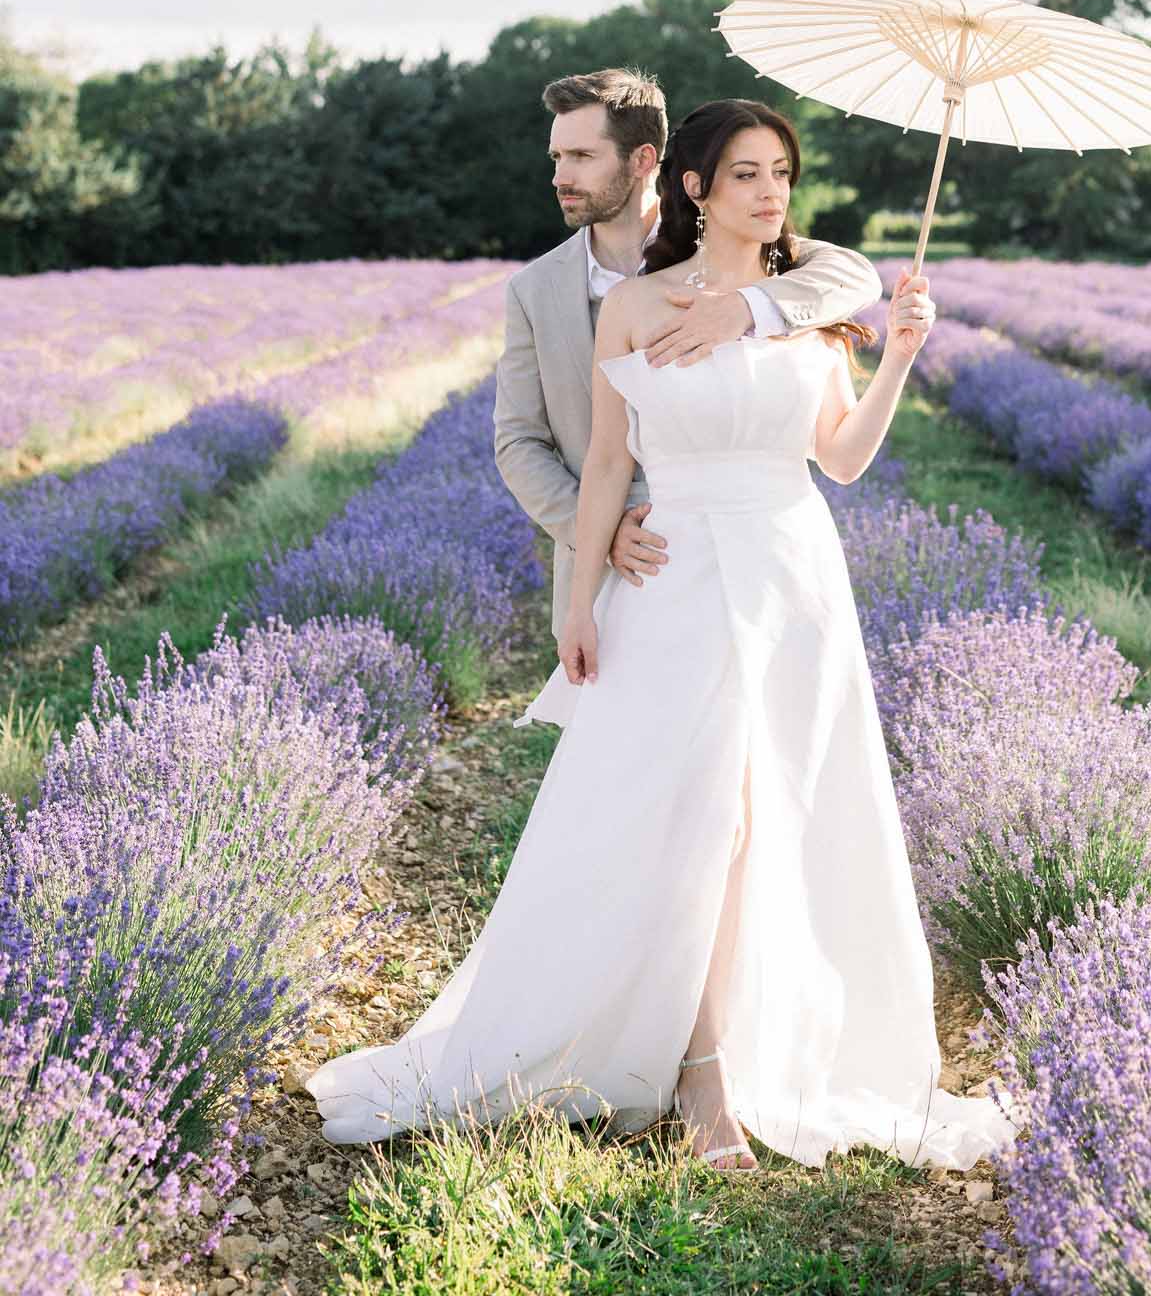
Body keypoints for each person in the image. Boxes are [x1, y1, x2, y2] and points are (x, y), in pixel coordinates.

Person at [305, 93, 1019, 1182]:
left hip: (791, 574)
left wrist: (899, 357)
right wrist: (576, 599)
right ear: (692, 185)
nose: (770, 189)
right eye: (745, 171)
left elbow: (842, 458)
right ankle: (694, 1067)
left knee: (763, 811)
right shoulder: (635, 306)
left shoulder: (808, 304)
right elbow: (601, 465)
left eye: (781, 169)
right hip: (678, 572)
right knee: (690, 814)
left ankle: (720, 1062)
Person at [491, 67, 884, 641]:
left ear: (644, 159)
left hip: (746, 549)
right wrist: (595, 530)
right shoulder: (533, 289)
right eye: (556, 158)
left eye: (580, 155)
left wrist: (747, 307)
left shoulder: (742, 245)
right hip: (609, 561)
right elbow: (518, 441)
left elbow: (854, 275)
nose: (560, 176)